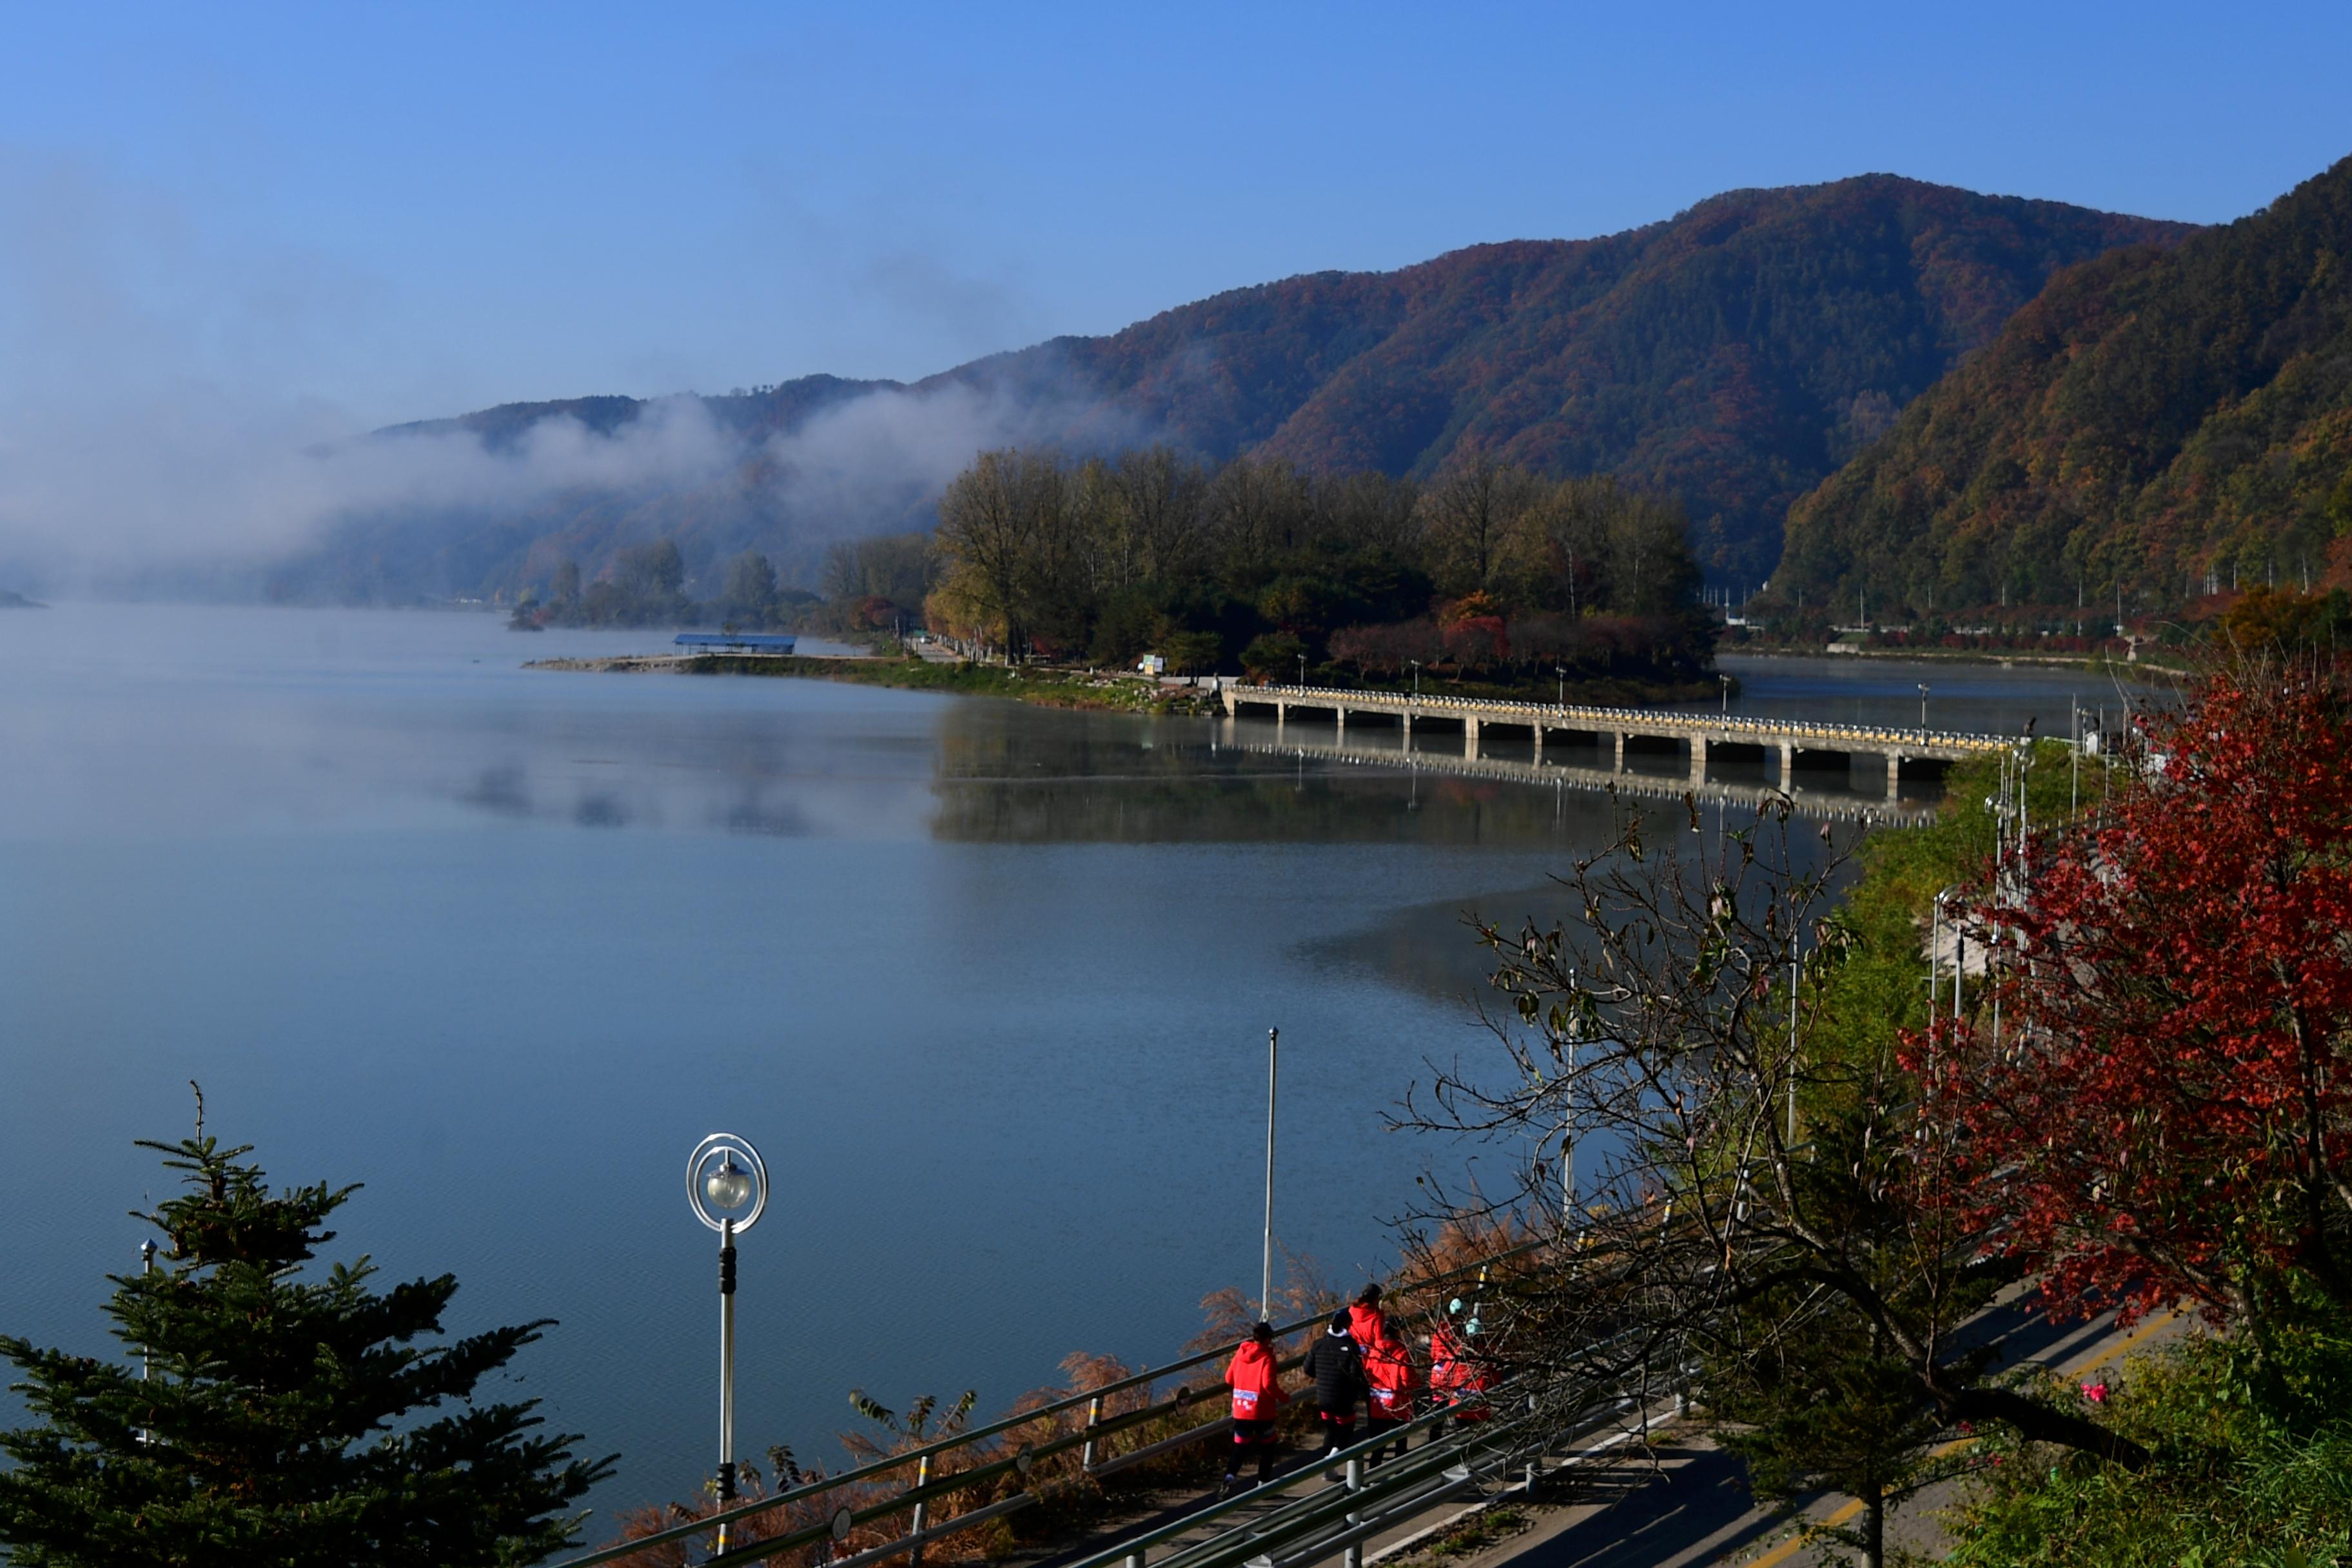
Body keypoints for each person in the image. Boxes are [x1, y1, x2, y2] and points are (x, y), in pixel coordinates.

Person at [1220, 1321, 1286, 1496]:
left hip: (1241, 1410)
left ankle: (1229, 1477)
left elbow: (1228, 1379)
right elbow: (1268, 1384)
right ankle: (1263, 1486)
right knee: (1268, 1447)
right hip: (1262, 1412)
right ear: (1267, 1338)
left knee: (1240, 1449)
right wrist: (1283, 1397)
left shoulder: (1241, 1353)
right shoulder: (1267, 1357)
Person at [1302, 1309, 1369, 1476]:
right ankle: (1331, 1460)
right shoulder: (1352, 1346)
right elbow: (1356, 1375)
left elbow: (1308, 1369)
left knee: (1330, 1431)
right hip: (1343, 1399)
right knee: (1346, 1433)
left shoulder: (1319, 1344)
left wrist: (1325, 1376)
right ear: (1348, 1325)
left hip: (1323, 1398)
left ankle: (1328, 1469)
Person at [1427, 1298, 1491, 1435]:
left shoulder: (1440, 1330)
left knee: (1437, 1416)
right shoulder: (1461, 1339)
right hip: (1452, 1377)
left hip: (1438, 1374)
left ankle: (1432, 1445)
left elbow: (1433, 1353)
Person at [1360, 1314, 1415, 1463]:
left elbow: (1367, 1373)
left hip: (1377, 1402)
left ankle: (1373, 1476)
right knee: (1401, 1443)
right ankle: (1399, 1475)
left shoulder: (1374, 1351)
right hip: (1399, 1403)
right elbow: (1407, 1380)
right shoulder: (1402, 1352)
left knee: (1378, 1446)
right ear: (1397, 1331)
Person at [1346, 1283, 1385, 1348]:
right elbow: (1379, 1342)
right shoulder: (1377, 1317)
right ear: (1376, 1299)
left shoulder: (1351, 1310)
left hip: (1355, 1349)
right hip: (1372, 1352)